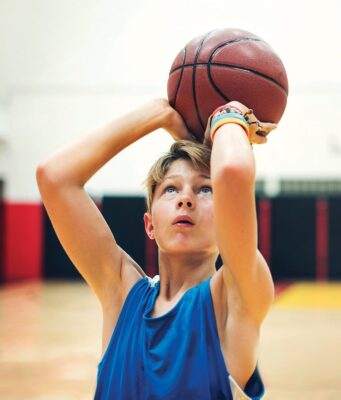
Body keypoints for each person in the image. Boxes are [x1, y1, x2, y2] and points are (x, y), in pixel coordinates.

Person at [36, 98, 276, 399]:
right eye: (171, 188)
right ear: (150, 225)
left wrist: (228, 115)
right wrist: (161, 113)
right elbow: (54, 177)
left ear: (225, 220)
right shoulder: (123, 296)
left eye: (204, 189)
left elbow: (232, 171)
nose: (185, 199)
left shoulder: (234, 297)